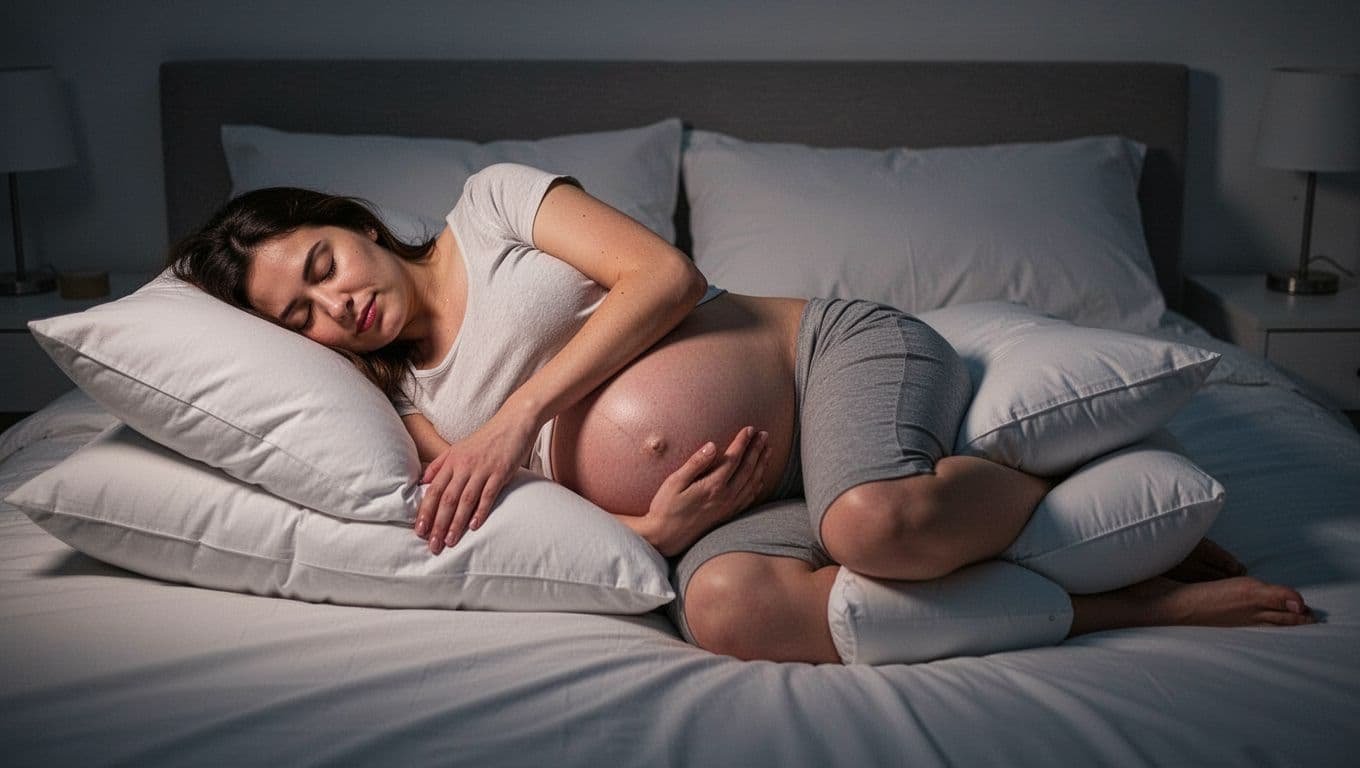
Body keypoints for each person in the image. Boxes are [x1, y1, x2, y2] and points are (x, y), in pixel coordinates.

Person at [169, 162, 1316, 664]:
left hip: (824, 360)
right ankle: (1127, 605)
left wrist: (516, 419)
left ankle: (1058, 479)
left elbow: (664, 279)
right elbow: (515, 524)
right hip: (743, 503)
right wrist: (656, 538)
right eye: (301, 316)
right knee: (718, 613)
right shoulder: (407, 403)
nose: (336, 304)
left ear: (351, 221)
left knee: (867, 524)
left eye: (320, 262)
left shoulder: (493, 205)